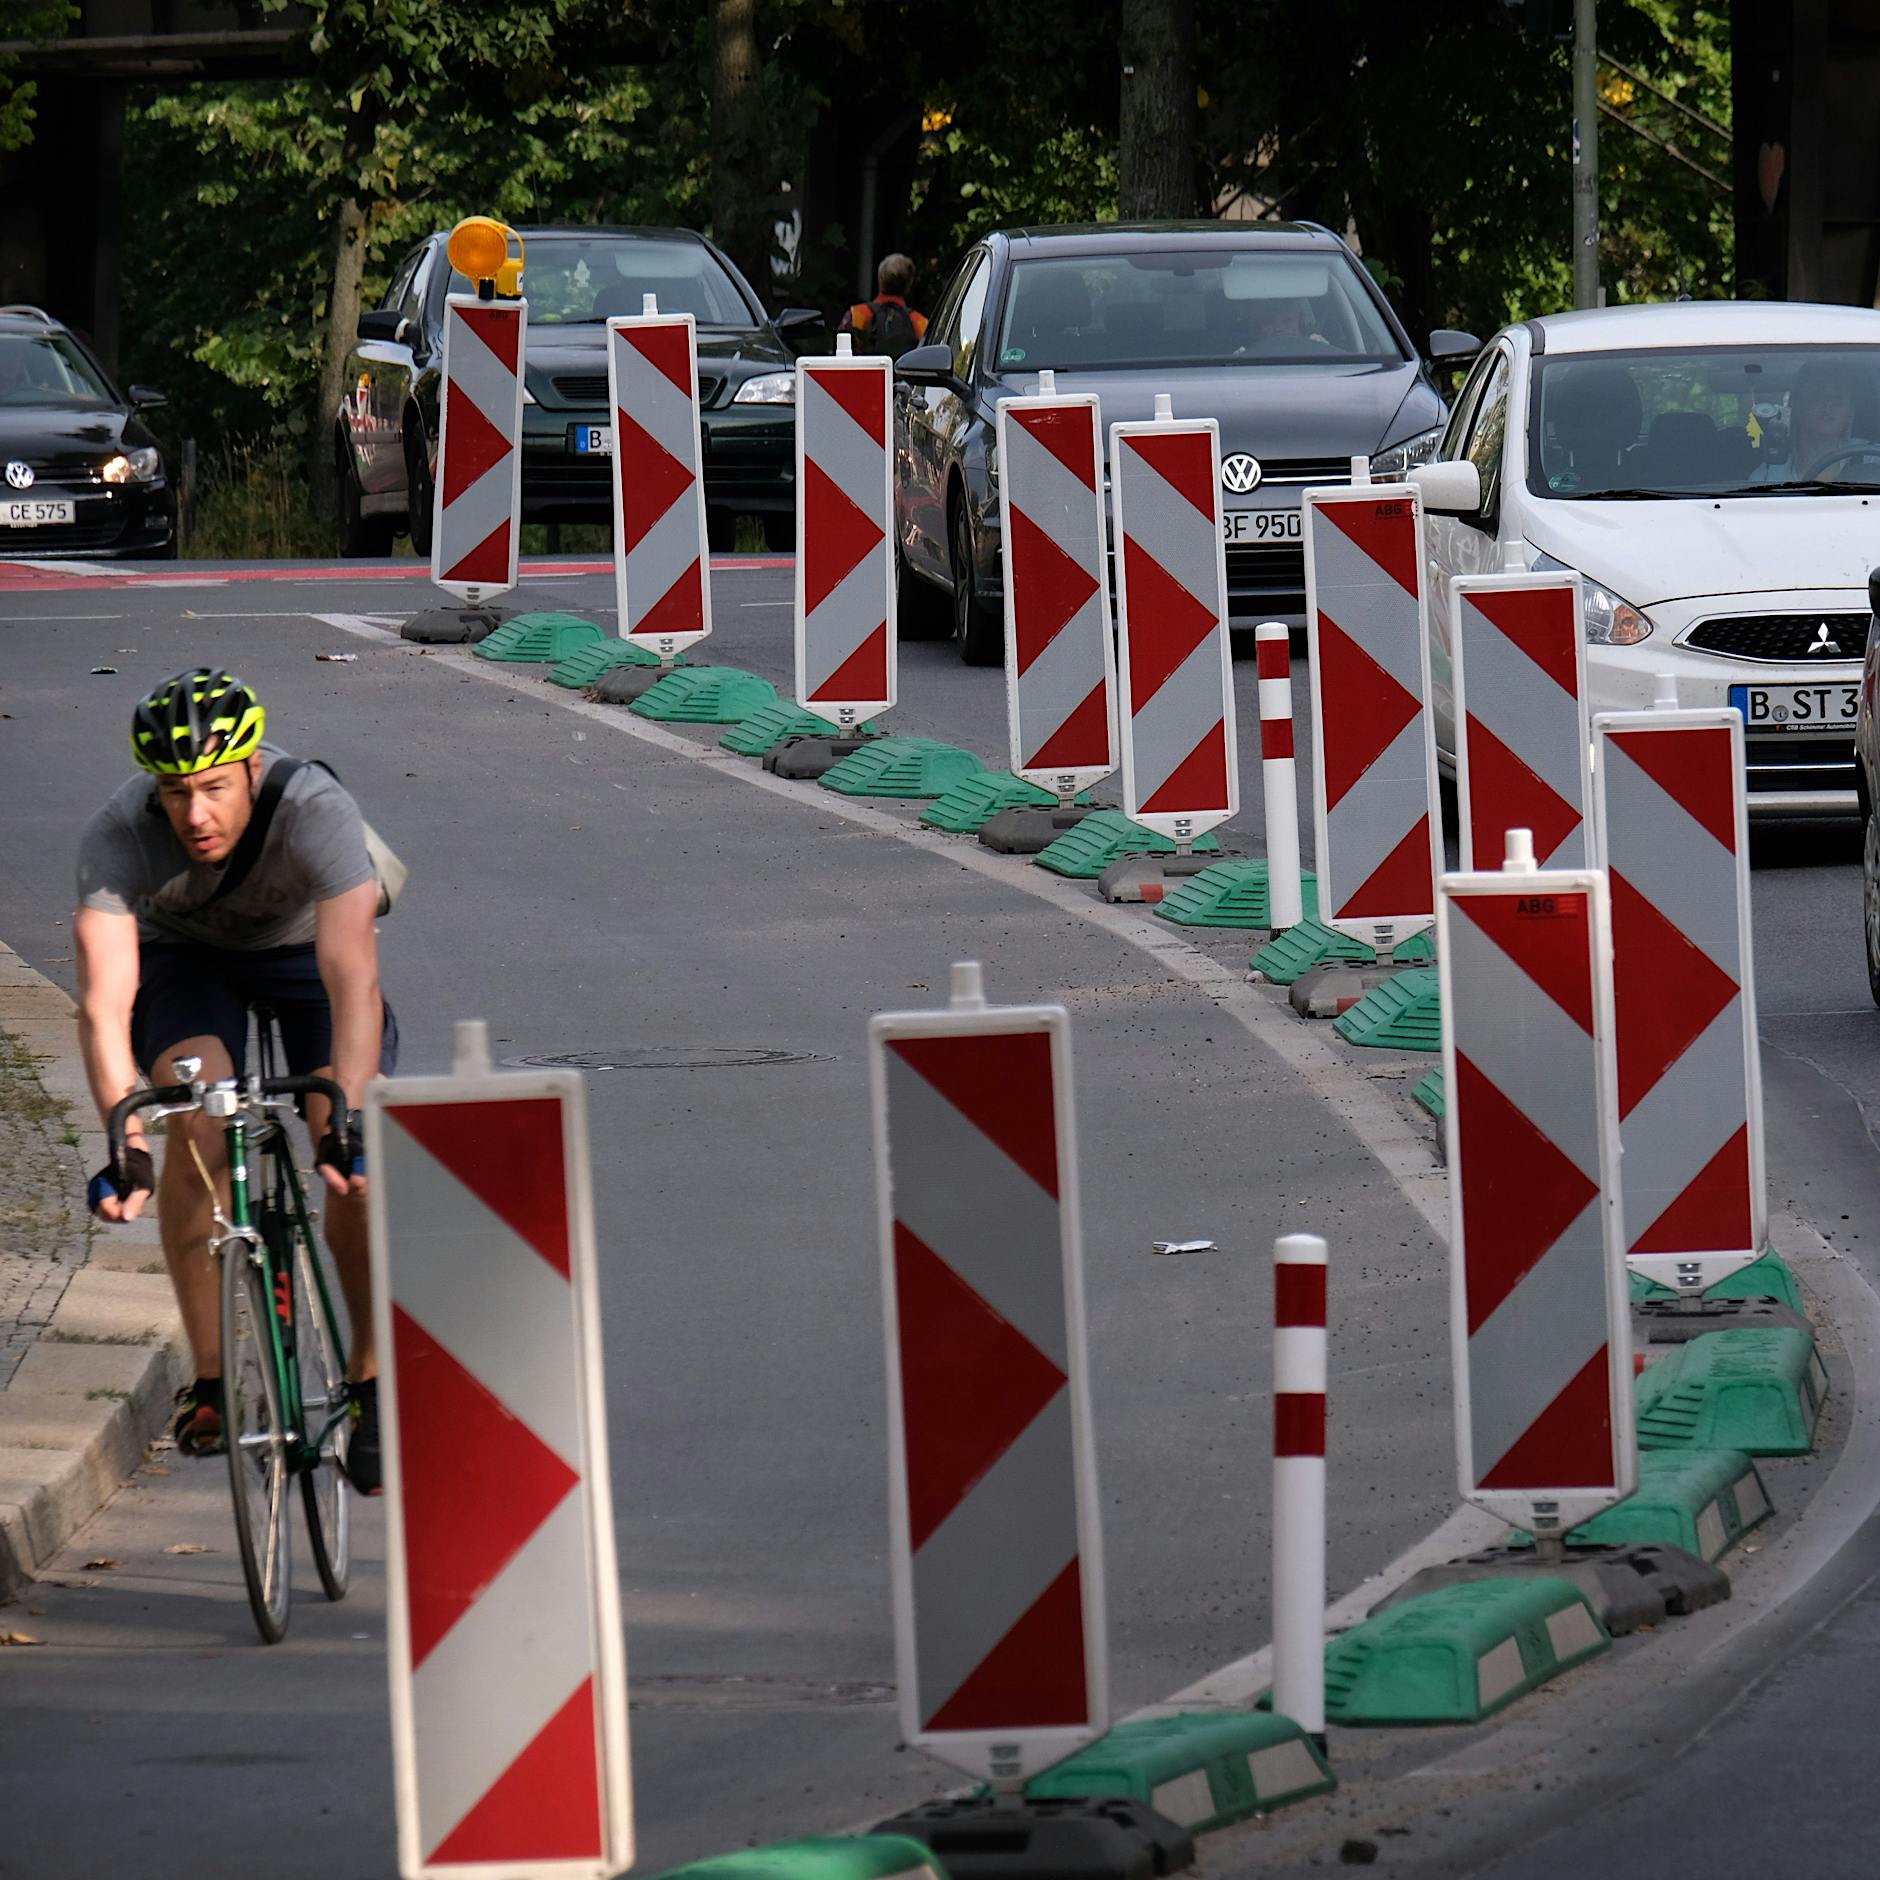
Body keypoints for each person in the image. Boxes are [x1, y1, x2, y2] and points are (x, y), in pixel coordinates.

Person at [74, 668, 396, 1494]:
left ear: (253, 770)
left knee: (350, 1163)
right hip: (187, 959)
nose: (195, 815)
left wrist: (346, 1116)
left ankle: (367, 1380)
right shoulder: (119, 833)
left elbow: (353, 984)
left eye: (214, 788)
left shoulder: (315, 810)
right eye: (176, 793)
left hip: (302, 959)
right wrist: (126, 1138)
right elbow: (106, 1004)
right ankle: (213, 1379)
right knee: (197, 1116)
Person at [1753, 358, 1880, 483]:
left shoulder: (1873, 457)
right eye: (1817, 395)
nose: (1827, 404)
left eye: (1836, 397)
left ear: (1850, 412)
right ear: (1797, 406)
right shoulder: (1768, 475)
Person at [839, 254, 927, 360]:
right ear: (909, 284)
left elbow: (840, 355)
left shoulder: (855, 315)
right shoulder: (920, 323)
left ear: (880, 279)